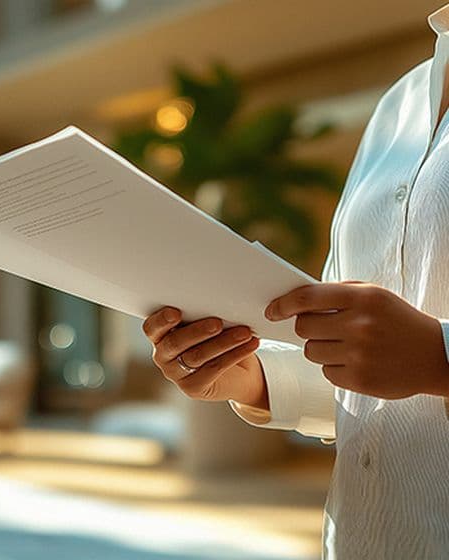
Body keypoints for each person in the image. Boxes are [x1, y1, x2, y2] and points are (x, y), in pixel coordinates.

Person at [142, 5, 449, 559]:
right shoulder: (398, 106)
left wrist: (440, 358)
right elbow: (364, 374)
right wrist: (251, 376)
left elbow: (416, 356)